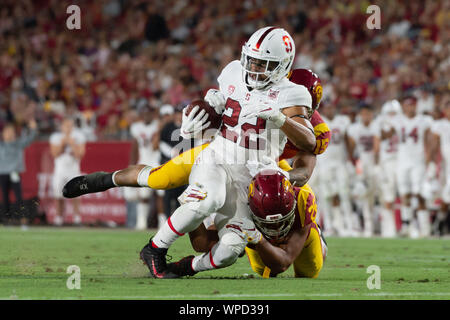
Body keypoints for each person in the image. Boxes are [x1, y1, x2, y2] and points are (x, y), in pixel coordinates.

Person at [64, 26, 317, 278]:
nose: (253, 68)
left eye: (263, 64)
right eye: (251, 60)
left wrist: (279, 119)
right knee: (195, 194)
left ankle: (187, 266)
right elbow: (217, 113)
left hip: (251, 179)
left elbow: (308, 141)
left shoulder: (292, 94)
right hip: (218, 157)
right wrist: (196, 116)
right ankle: (153, 248)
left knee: (230, 248)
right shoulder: (233, 72)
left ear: (282, 66)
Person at [169, 170, 327, 279]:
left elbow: (283, 263)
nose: (277, 230)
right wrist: (190, 209)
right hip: (255, 231)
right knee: (263, 270)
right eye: (270, 224)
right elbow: (203, 244)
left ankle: (318, 237)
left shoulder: (302, 198)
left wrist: (259, 238)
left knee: (309, 272)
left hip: (296, 235)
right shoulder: (238, 203)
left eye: (281, 221)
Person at [392, 95, 434, 238]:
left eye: (412, 105)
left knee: (420, 194)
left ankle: (424, 228)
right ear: (403, 106)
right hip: (402, 161)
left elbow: (430, 141)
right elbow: (386, 135)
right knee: (405, 195)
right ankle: (407, 225)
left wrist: (429, 161)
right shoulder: (396, 120)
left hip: (418, 161)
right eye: (407, 104)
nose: (410, 107)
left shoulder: (424, 120)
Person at [312, 101, 354, 236]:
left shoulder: (343, 121)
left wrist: (350, 159)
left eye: (332, 107)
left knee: (344, 194)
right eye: (328, 107)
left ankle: (347, 225)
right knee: (326, 196)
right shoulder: (318, 121)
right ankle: (329, 226)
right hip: (324, 163)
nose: (330, 109)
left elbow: (348, 141)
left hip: (340, 163)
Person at [128, 105, 165, 230]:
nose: (146, 115)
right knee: (143, 195)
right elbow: (135, 146)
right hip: (143, 161)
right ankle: (141, 222)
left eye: (148, 113)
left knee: (160, 194)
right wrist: (132, 164)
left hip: (156, 161)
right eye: (144, 113)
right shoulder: (136, 127)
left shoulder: (157, 125)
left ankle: (162, 223)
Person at [346, 104, 380, 237]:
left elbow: (377, 146)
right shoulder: (355, 129)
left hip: (374, 164)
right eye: (364, 113)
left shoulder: (377, 126)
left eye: (368, 113)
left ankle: (375, 225)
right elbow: (351, 148)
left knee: (376, 195)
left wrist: (377, 164)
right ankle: (365, 226)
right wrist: (352, 163)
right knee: (362, 195)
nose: (366, 116)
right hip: (361, 164)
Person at [0, 119, 37, 228]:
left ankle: (23, 220)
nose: (9, 134)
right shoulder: (1, 145)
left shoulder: (18, 143)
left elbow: (30, 138)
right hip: (2, 174)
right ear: (3, 134)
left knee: (19, 197)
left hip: (15, 173)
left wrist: (33, 128)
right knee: (5, 197)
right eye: (7, 132)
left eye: (11, 132)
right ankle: (6, 220)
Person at [49, 117, 86, 226]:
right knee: (58, 195)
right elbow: (55, 154)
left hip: (73, 169)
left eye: (70, 126)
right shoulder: (56, 137)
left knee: (76, 195)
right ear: (62, 127)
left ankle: (77, 218)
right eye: (66, 126)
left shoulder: (79, 136)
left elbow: (80, 155)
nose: (68, 128)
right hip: (60, 170)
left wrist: (72, 143)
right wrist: (63, 143)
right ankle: (59, 218)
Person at [374, 100, 402, 237]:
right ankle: (389, 228)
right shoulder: (380, 122)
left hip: (401, 160)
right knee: (388, 196)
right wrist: (377, 164)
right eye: (390, 113)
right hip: (387, 161)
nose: (392, 116)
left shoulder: (403, 121)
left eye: (394, 113)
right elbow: (377, 142)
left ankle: (407, 225)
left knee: (406, 194)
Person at [430, 99, 450, 235]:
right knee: (446, 196)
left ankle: (440, 222)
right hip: (446, 165)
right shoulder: (440, 125)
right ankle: (440, 222)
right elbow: (434, 145)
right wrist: (431, 163)